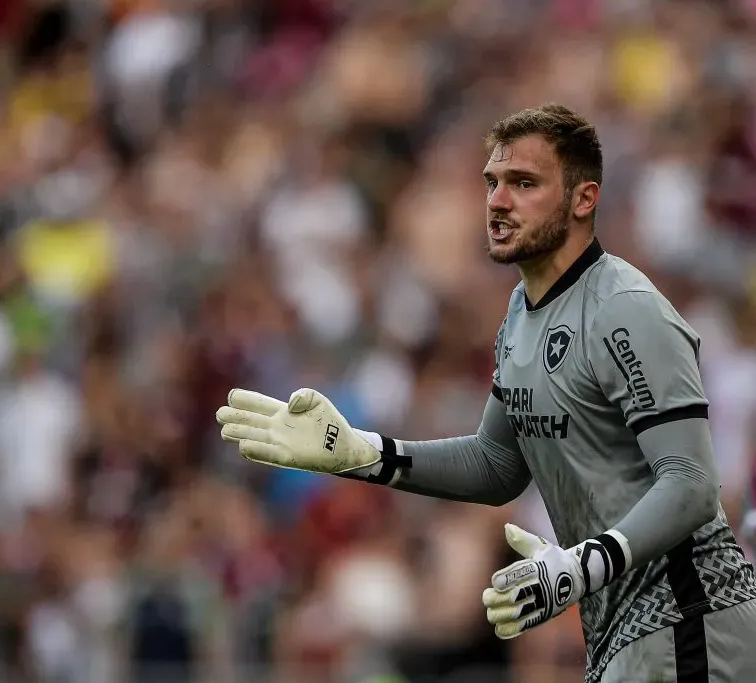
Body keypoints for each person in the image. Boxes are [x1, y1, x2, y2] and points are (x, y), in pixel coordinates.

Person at [216, 104, 756, 683]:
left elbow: (692, 482)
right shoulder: (521, 317)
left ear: (584, 199)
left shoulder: (626, 308)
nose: (498, 201)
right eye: (493, 183)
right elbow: (497, 463)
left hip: (690, 620)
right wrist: (367, 454)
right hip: (621, 631)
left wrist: (583, 562)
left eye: (524, 183)